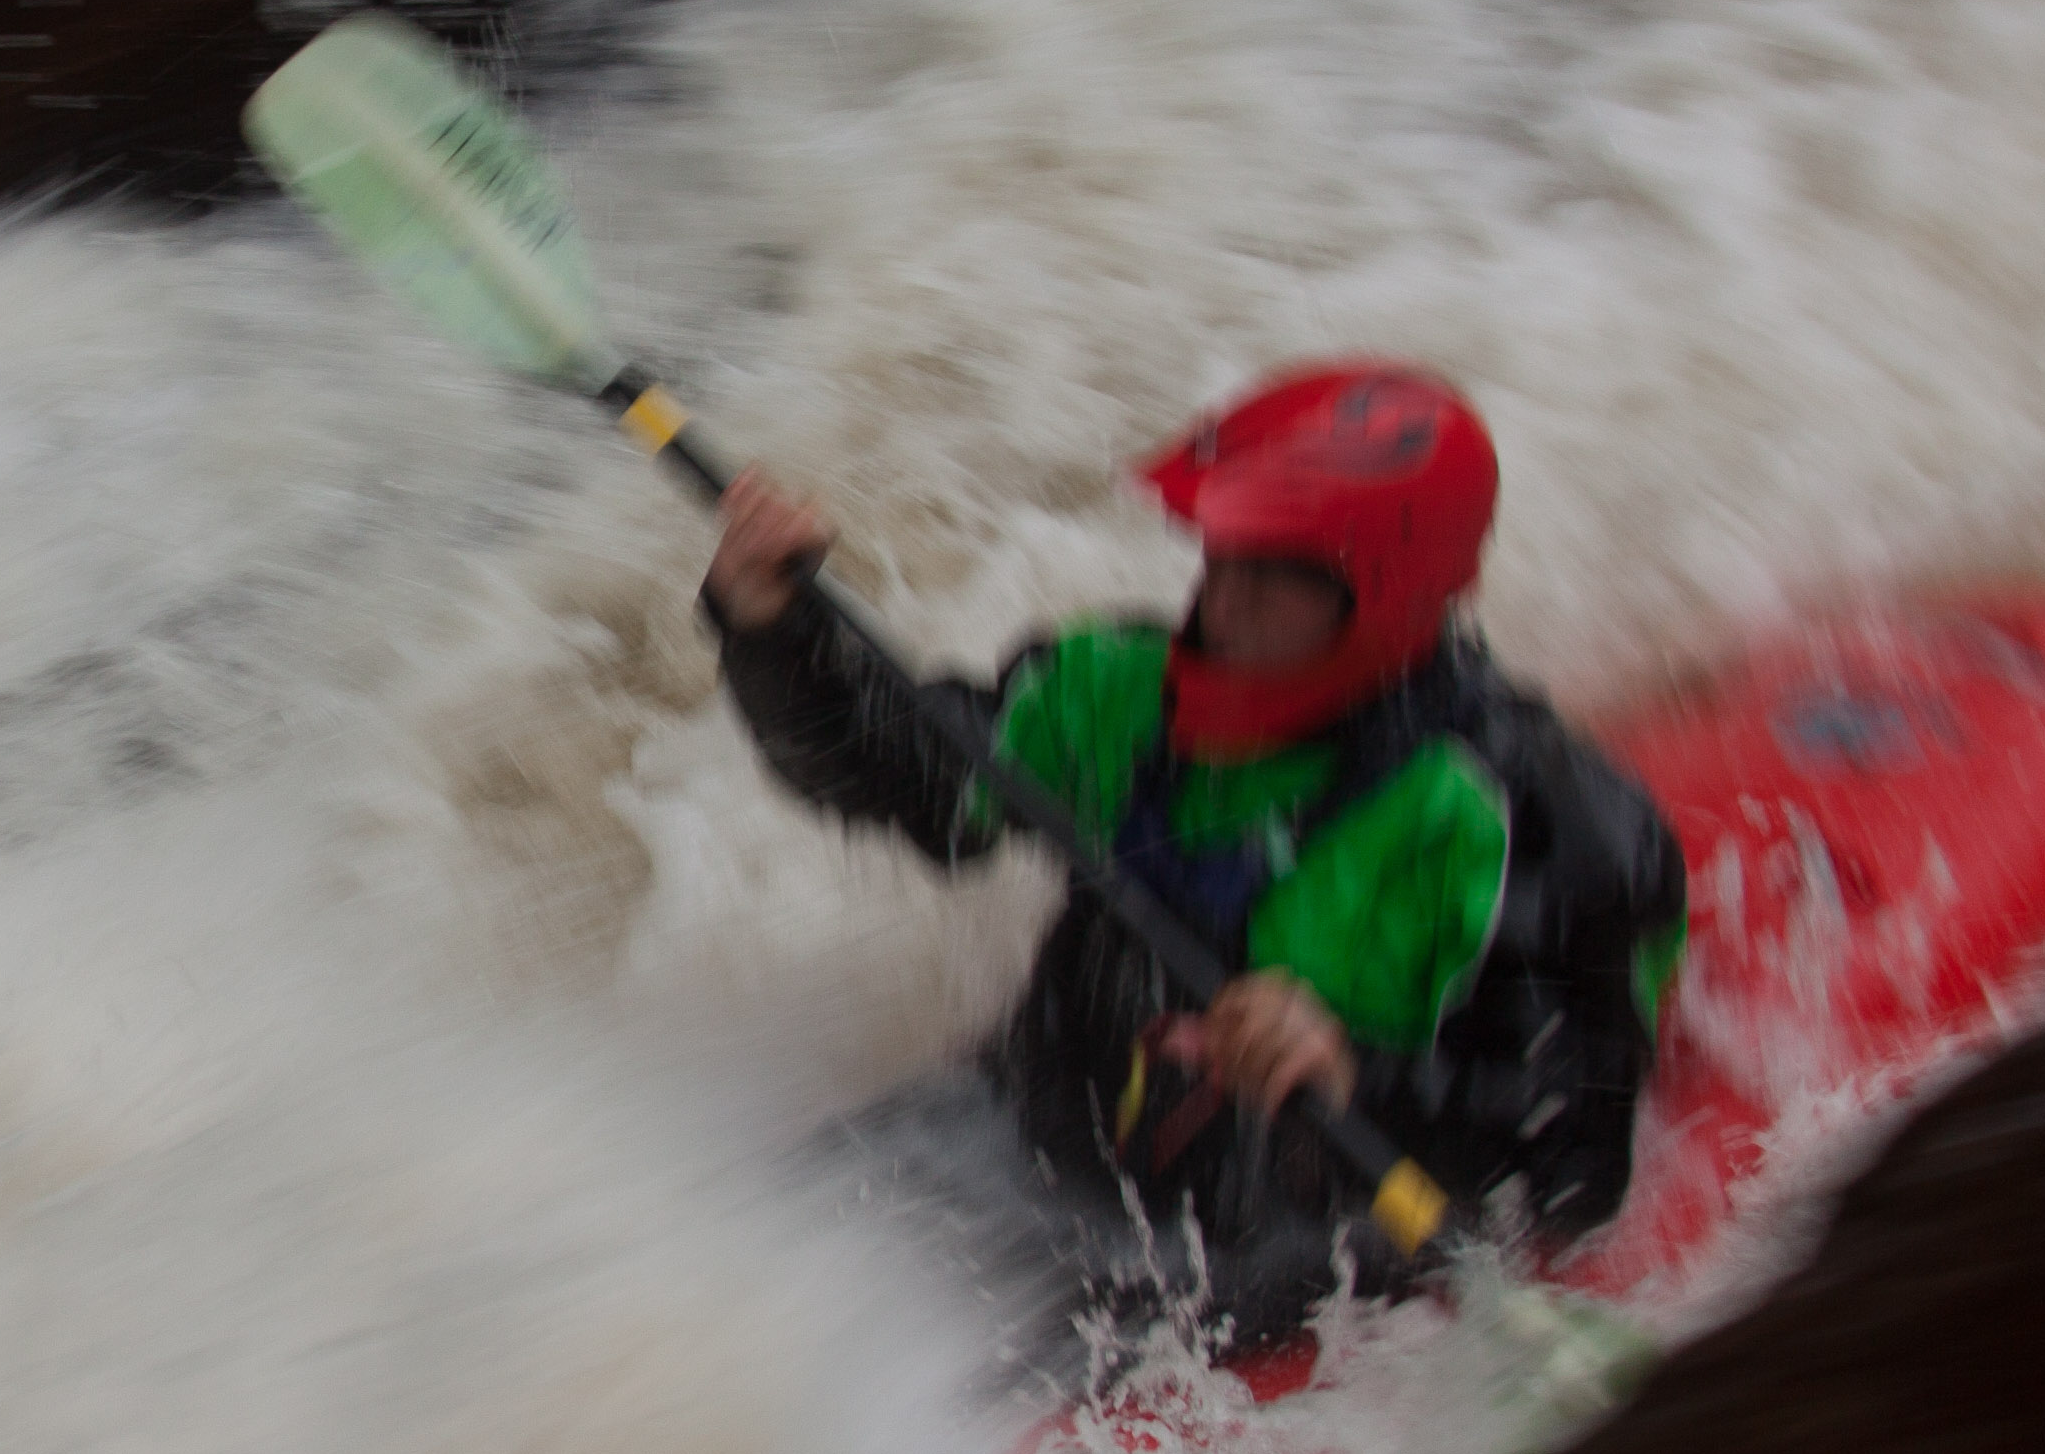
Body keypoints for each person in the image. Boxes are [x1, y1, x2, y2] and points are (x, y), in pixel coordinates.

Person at [703, 361, 1686, 1345]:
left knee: (895, 1378)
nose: (1226, 597)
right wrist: (773, 633)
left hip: (1287, 1236)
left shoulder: (1535, 820)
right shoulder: (1117, 690)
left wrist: (1355, 1072)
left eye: (1285, 569)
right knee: (721, 1263)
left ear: (1396, 588)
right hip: (1028, 1125)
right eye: (1227, 549)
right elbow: (919, 786)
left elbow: (1573, 1155)